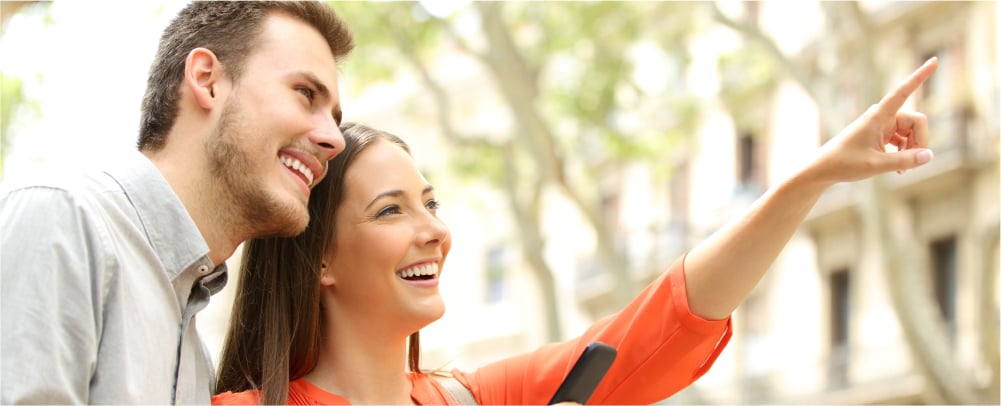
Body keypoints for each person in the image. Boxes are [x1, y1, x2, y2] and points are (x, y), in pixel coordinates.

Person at [212, 57, 939, 405]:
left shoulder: (479, 400)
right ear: (320, 262)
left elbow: (666, 320)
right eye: (391, 209)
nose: (434, 230)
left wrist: (808, 178)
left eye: (430, 202)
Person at [0, 1, 354, 404]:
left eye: (336, 118)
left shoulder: (194, 355)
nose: (334, 139)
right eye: (305, 94)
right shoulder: (61, 220)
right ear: (207, 81)